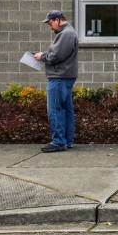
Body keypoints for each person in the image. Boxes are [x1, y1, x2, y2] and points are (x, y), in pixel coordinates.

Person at [34, 10, 79, 153]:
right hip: (64, 76)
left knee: (54, 109)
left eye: (50, 23)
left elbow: (55, 56)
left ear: (57, 20)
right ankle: (67, 140)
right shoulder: (67, 33)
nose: (50, 27)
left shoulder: (66, 34)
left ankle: (59, 141)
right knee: (65, 109)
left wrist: (42, 56)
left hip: (59, 77)